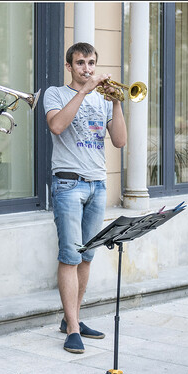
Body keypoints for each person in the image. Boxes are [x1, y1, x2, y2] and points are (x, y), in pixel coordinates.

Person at [43, 42, 127, 354]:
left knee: (87, 255)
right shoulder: (56, 94)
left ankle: (72, 319)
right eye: (80, 63)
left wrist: (116, 103)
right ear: (69, 67)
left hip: (97, 185)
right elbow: (56, 125)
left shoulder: (103, 100)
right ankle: (73, 329)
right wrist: (84, 90)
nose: (87, 69)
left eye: (91, 62)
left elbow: (119, 141)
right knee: (70, 255)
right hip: (68, 184)